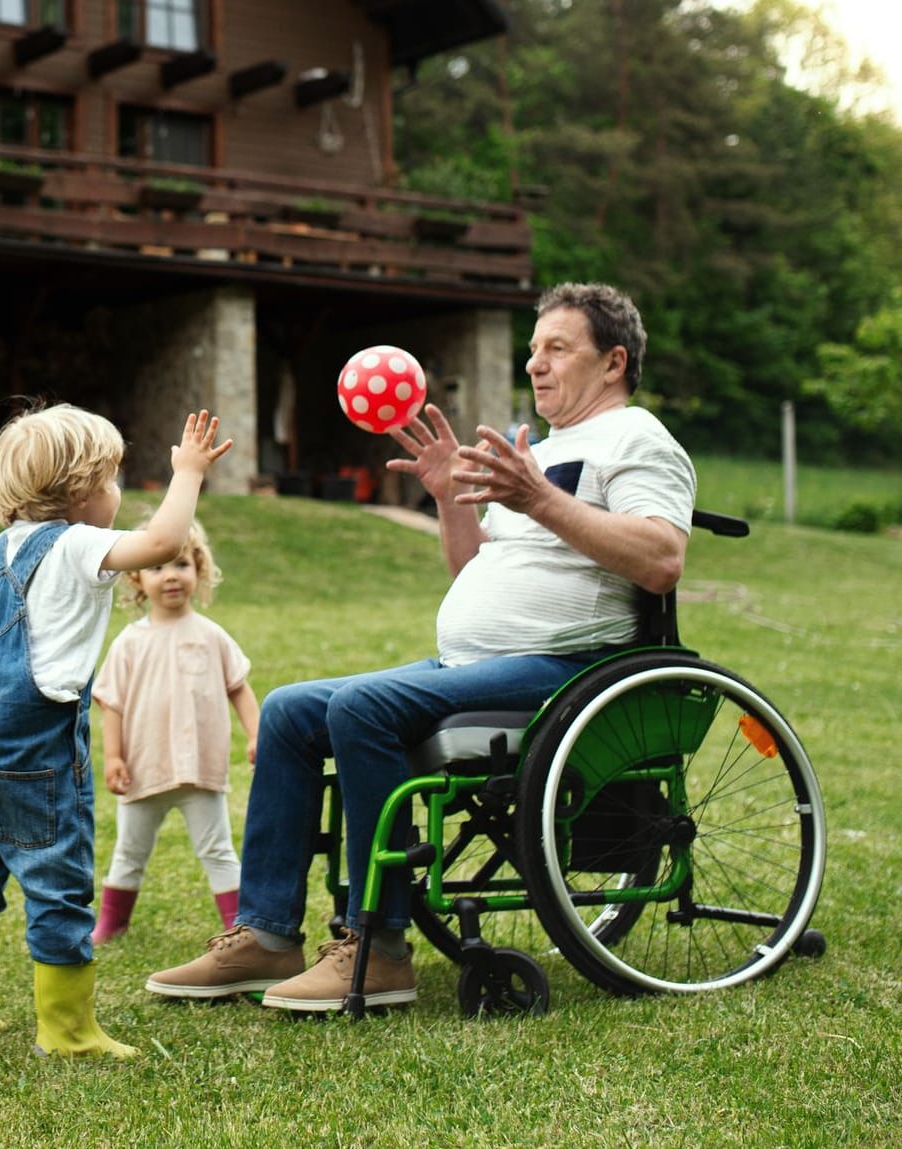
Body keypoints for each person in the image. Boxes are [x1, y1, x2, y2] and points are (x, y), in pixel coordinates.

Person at [145, 282, 695, 1013]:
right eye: (532, 351)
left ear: (614, 361)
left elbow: (662, 557)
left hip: (567, 671)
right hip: (476, 665)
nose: (534, 365)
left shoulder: (639, 440)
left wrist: (539, 499)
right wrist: (446, 497)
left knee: (366, 708)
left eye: (557, 348)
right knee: (288, 710)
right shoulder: (545, 450)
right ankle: (267, 933)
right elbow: (476, 573)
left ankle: (379, 947)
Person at [0, 403, 232, 1059]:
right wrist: (187, 472)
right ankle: (67, 1029)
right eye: (112, 481)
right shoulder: (76, 543)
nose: (117, 494)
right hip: (33, 745)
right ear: (79, 492)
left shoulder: (3, 545)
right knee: (57, 878)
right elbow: (159, 543)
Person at [88, 518, 260, 945]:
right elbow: (112, 703)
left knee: (218, 850)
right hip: (144, 769)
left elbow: (239, 688)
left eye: (181, 564)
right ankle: (112, 922)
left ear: (198, 569)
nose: (170, 576)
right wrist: (113, 758)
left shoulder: (211, 636)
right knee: (129, 852)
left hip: (200, 770)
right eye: (157, 567)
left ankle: (238, 928)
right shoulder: (129, 641)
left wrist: (258, 734)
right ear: (136, 579)